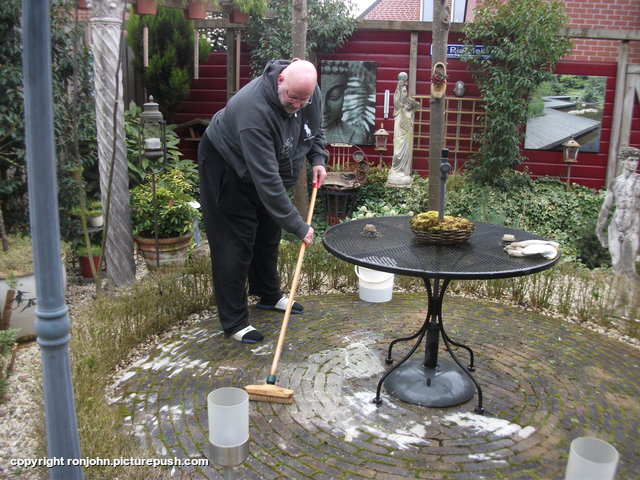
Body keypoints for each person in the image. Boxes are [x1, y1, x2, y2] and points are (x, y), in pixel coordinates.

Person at [198, 59, 328, 343]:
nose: (297, 106)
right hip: (227, 166)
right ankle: (235, 322)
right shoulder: (253, 112)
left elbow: (315, 127)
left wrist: (317, 157)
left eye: (303, 100)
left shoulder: (308, 94)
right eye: (292, 99)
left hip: (271, 164)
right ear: (280, 80)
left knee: (269, 233)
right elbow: (267, 181)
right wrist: (298, 225)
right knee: (236, 242)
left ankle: (269, 295)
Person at [596, 146, 640, 281]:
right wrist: (599, 230)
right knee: (616, 264)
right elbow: (606, 207)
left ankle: (632, 299)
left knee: (629, 267)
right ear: (622, 161)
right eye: (631, 160)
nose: (634, 164)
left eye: (636, 161)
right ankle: (619, 298)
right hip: (615, 227)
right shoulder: (615, 182)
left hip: (632, 228)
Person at [387, 72, 420, 187]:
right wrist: (400, 86)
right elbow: (397, 100)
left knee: (406, 155)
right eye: (406, 104)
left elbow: (417, 105)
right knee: (397, 154)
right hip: (399, 135)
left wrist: (411, 102)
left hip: (407, 136)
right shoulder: (399, 110)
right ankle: (396, 171)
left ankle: (404, 172)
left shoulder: (410, 112)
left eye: (409, 105)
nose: (407, 106)